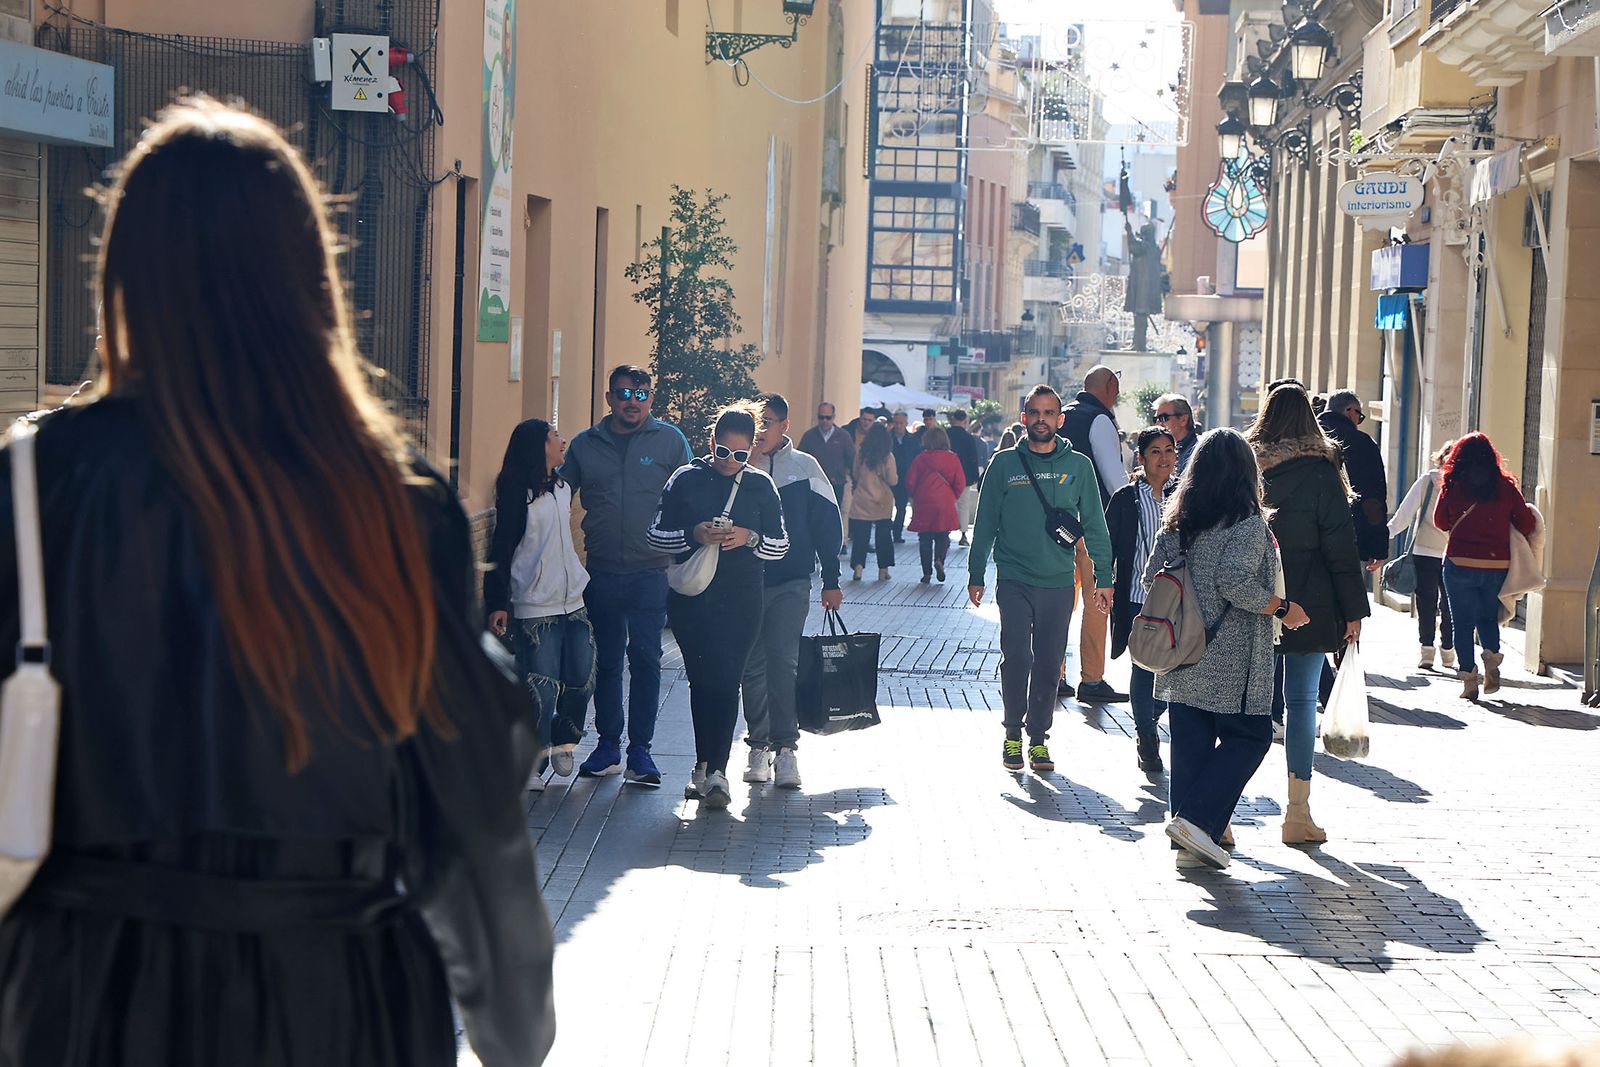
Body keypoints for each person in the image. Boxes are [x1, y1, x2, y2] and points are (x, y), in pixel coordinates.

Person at [0, 99, 554, 1066]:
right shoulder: (392, 503)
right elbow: (462, 798)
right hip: (333, 995)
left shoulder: (32, 487)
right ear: (308, 277)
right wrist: (511, 1018)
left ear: (126, 273)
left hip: (89, 994)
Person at [1146, 429, 1308, 870]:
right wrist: (1283, 608)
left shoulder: (1177, 524)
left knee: (1190, 744)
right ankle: (1197, 821)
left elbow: (1150, 580)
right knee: (1251, 736)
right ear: (1245, 472)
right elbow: (1235, 583)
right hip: (1230, 656)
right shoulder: (1247, 524)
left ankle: (1189, 843)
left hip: (1180, 653)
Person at [648, 404, 789, 808]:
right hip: (693, 600)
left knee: (727, 681)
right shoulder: (686, 478)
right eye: (723, 452)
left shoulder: (762, 486)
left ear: (754, 452)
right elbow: (655, 534)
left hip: (743, 598)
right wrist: (694, 534)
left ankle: (717, 773)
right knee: (701, 682)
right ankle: (703, 763)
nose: (730, 462)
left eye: (741, 455)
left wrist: (748, 537)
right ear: (712, 443)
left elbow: (781, 546)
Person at [969, 385, 1114, 775]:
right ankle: (1012, 733)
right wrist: (975, 572)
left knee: (1050, 664)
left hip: (1058, 581)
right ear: (1024, 419)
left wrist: (1104, 576)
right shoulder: (1003, 464)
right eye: (1034, 413)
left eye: (1049, 413)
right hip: (1014, 577)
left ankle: (1038, 739)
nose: (1041, 420)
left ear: (1059, 420)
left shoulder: (1079, 466)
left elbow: (1095, 525)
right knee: (1016, 656)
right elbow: (985, 521)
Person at [1247, 384, 1369, 845]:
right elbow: (1341, 545)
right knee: (1300, 705)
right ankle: (1297, 813)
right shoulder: (1323, 471)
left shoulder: (1246, 465)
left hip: (1254, 597)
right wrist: (1353, 612)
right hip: (1311, 601)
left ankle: (1220, 815)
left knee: (1246, 704)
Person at [562, 365, 692, 785]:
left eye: (640, 393)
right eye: (623, 393)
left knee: (648, 660)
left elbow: (693, 495)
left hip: (651, 572)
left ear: (651, 398)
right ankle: (608, 746)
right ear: (609, 398)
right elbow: (555, 496)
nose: (631, 402)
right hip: (601, 572)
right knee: (607, 662)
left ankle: (641, 752)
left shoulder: (670, 442)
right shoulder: (585, 445)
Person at [741, 393, 843, 790]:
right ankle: (758, 746)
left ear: (785, 425)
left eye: (769, 422)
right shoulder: (738, 464)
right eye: (757, 422)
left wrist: (831, 581)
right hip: (745, 584)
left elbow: (827, 526)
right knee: (752, 666)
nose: (761, 430)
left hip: (792, 581)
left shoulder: (805, 467)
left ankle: (786, 750)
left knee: (783, 662)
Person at [485, 419, 594, 793]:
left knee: (581, 678)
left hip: (574, 600)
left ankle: (564, 740)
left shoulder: (562, 487)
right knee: (542, 687)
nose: (562, 441)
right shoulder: (517, 492)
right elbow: (502, 547)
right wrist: (497, 602)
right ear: (539, 446)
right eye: (555, 436)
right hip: (535, 604)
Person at [1434, 432, 1536, 700]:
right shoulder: (1504, 486)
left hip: (1459, 563)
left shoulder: (1453, 484)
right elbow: (1527, 524)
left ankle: (1469, 680)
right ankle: (1492, 660)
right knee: (1487, 617)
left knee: (1462, 623)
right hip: (1496, 564)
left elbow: (1440, 522)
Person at [1106, 427, 1179, 774]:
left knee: (1179, 667)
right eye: (1155, 452)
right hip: (1138, 598)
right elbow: (1107, 546)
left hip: (1180, 601)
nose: (1163, 458)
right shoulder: (1125, 499)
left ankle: (1150, 714)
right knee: (1144, 668)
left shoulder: (1186, 496)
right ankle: (1147, 738)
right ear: (1141, 458)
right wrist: (1103, 584)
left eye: (1169, 451)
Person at [1060, 365, 1130, 704]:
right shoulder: (1100, 420)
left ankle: (1054, 674)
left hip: (1056, 526)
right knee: (1097, 601)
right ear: (1111, 385)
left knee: (1059, 602)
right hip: (1091, 525)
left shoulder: (1065, 416)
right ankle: (1091, 679)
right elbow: (1115, 481)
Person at [1389, 441, 1457, 670]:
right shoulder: (1465, 485)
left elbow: (1405, 513)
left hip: (1425, 552)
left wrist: (1383, 537)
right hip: (1454, 554)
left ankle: (1427, 652)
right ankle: (1447, 651)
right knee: (1451, 604)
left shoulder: (1427, 481)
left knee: (1426, 604)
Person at [1319, 389, 1389, 567]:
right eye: (1360, 416)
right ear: (1350, 411)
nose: (1358, 421)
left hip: (1305, 536)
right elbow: (1373, 498)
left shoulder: (1307, 437)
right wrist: (1378, 546)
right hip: (1348, 536)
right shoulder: (1362, 443)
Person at [905, 424, 966, 583]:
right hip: (945, 500)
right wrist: (952, 496)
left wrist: (914, 495)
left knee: (924, 538)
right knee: (943, 535)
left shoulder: (920, 459)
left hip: (924, 500)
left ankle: (926, 573)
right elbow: (960, 482)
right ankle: (939, 560)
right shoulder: (952, 458)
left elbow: (910, 481)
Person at [849, 421, 899, 581]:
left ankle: (858, 568)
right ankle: (883, 570)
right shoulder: (887, 456)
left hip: (862, 499)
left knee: (860, 537)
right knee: (883, 537)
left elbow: (855, 474)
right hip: (882, 502)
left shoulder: (861, 453)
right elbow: (892, 480)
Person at [798, 401, 855, 510]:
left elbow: (852, 460)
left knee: (834, 517)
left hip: (836, 484)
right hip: (814, 485)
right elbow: (800, 460)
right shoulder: (809, 436)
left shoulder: (843, 436)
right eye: (821, 417)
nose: (824, 421)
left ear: (833, 417)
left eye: (828, 418)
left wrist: (855, 483)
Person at [946, 409, 984, 545]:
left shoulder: (946, 434)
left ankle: (947, 532)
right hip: (964, 477)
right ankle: (963, 535)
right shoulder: (968, 438)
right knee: (964, 505)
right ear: (965, 421)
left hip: (947, 477)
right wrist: (974, 476)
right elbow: (973, 458)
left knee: (949, 504)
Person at [890, 410, 920, 543]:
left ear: (906, 423)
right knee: (885, 508)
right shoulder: (887, 438)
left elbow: (916, 459)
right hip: (888, 478)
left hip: (904, 478)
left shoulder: (913, 440)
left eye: (901, 423)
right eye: (896, 423)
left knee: (901, 507)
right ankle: (886, 531)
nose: (898, 426)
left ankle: (897, 533)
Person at [1154, 392, 1200, 475]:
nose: (1158, 424)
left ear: (1183, 420)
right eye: (1156, 419)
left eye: (1163, 418)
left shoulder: (1199, 450)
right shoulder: (1162, 449)